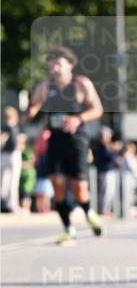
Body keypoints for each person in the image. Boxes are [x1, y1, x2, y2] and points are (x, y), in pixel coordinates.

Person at [25, 47, 104, 244]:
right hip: (55, 141)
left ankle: (89, 212)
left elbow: (97, 109)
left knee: (79, 188)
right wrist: (29, 113)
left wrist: (79, 119)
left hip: (77, 142)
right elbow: (34, 104)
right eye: (52, 64)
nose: (55, 68)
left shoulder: (81, 84)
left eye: (59, 63)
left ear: (70, 65)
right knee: (57, 184)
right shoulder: (45, 86)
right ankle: (68, 228)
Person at [94, 126, 121, 215]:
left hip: (111, 171)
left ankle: (108, 209)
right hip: (105, 171)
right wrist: (114, 150)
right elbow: (108, 157)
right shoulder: (101, 146)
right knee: (106, 191)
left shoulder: (107, 146)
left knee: (111, 192)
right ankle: (104, 210)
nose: (109, 137)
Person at [1, 107, 22, 212]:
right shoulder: (10, 128)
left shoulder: (10, 127)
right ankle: (11, 204)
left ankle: (7, 204)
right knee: (11, 182)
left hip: (6, 155)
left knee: (5, 181)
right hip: (11, 155)